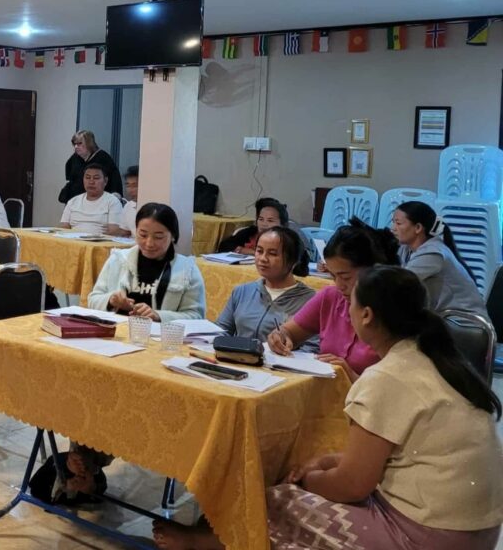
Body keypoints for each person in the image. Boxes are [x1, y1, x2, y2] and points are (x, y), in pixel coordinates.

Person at [154, 266, 503, 550]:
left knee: (276, 500)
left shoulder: (387, 377)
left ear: (366, 315)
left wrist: (308, 480)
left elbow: (352, 485)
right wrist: (327, 463)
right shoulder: (439, 360)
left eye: (349, 301)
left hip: (426, 536)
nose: (345, 308)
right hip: (476, 530)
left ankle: (206, 543)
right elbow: (398, 455)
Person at [268, 218, 399, 381]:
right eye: (333, 276)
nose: (339, 285)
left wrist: (349, 375)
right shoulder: (331, 296)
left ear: (373, 270)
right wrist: (280, 337)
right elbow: (290, 332)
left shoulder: (395, 311)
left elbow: (398, 387)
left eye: (346, 277)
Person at [87, 203, 206, 322]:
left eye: (158, 237)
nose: (149, 243)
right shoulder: (118, 260)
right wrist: (111, 300)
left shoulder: (187, 270)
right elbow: (93, 300)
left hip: (159, 333)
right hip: (116, 330)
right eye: (143, 235)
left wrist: (159, 316)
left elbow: (196, 316)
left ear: (173, 236)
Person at [216, 226, 317, 347]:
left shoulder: (311, 301)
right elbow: (220, 331)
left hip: (282, 358)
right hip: (238, 356)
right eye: (259, 251)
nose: (263, 259)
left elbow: (312, 347)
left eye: (272, 254)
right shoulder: (242, 291)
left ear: (293, 261)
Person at [391, 201, 487, 317]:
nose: (393, 228)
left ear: (418, 228)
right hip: (443, 318)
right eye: (393, 222)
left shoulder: (433, 252)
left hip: (463, 321)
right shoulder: (406, 249)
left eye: (398, 223)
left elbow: (398, 282)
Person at [58, 163, 125, 235]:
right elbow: (64, 227)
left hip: (100, 240)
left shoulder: (113, 201)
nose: (91, 182)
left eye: (96, 178)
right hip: (73, 240)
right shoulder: (73, 201)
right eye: (87, 177)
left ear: (105, 181)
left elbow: (114, 231)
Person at [59, 130, 123, 202]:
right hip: (77, 201)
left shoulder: (103, 158)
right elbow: (71, 179)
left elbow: (115, 182)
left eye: (79, 143)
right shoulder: (74, 158)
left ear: (89, 143)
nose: (76, 146)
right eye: (74, 144)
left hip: (99, 201)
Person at [217, 198, 289, 255]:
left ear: (282, 224)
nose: (264, 224)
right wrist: (248, 251)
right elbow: (224, 246)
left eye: (270, 221)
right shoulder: (250, 233)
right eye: (261, 219)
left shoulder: (288, 241)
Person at [119, 165, 139, 236]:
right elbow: (125, 233)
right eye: (128, 185)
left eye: (135, 186)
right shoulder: (128, 206)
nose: (130, 190)